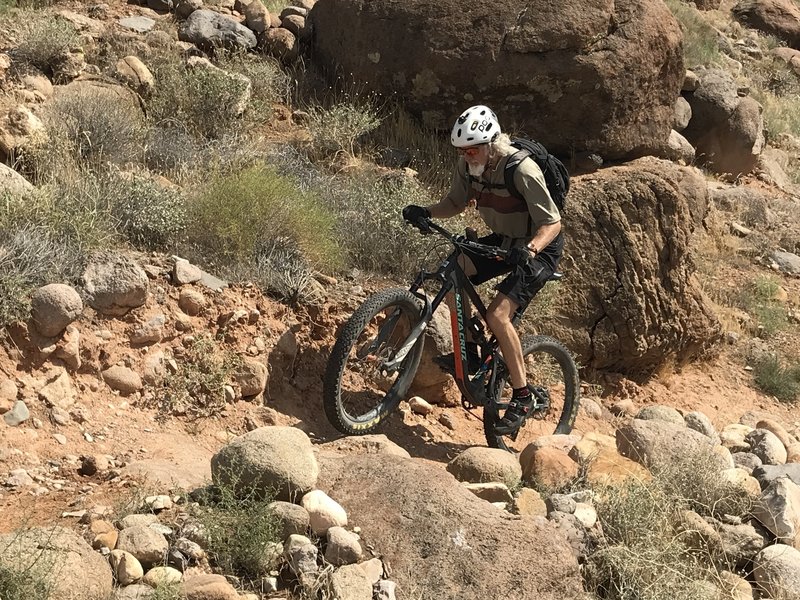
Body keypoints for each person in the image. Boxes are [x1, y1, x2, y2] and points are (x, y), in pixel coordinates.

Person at [402, 105, 563, 435]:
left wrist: (530, 249)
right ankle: (474, 353)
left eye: (473, 149)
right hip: (504, 241)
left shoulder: (522, 170)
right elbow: (455, 203)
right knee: (453, 273)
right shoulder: (469, 166)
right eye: (462, 150)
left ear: (491, 144)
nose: (467, 155)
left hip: (538, 248)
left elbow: (553, 223)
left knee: (498, 316)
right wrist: (426, 212)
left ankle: (521, 397)